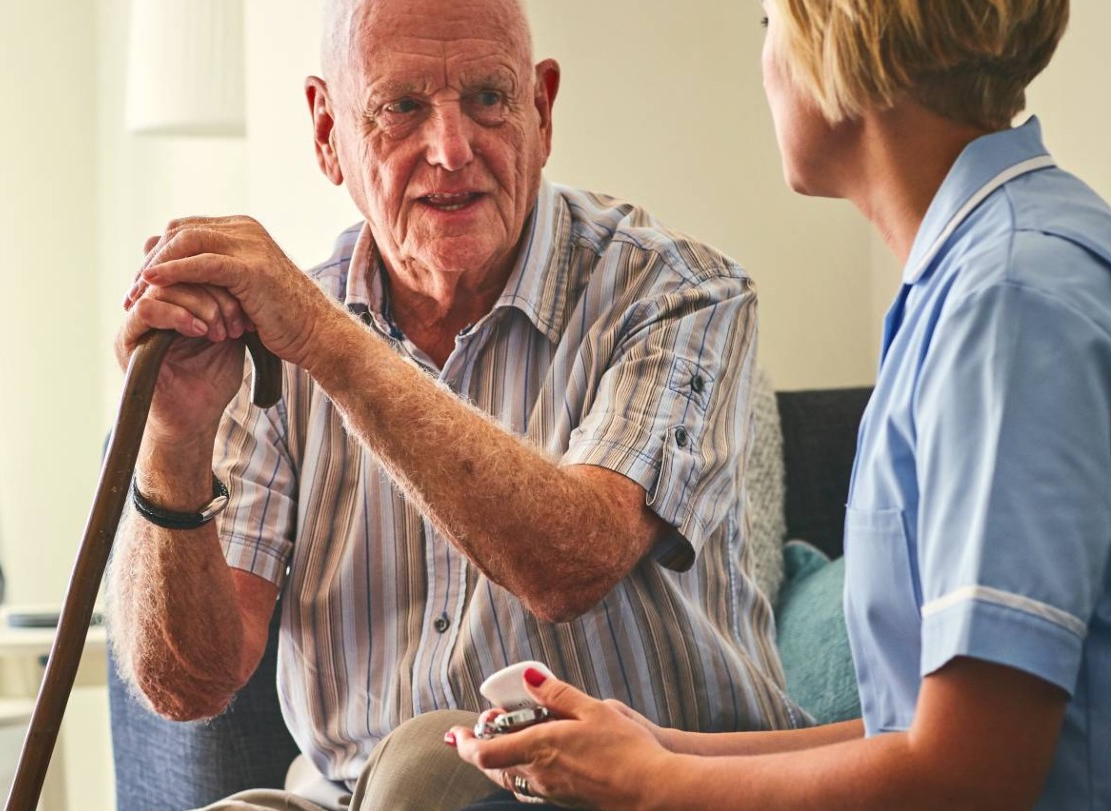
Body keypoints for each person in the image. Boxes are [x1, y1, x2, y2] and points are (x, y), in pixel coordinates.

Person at [447, 1, 1111, 809]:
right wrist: (656, 747)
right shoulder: (997, 268)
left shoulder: (1011, 305)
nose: (763, 65)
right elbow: (924, 733)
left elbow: (967, 778)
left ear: (837, 45)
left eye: (767, 24)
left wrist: (654, 785)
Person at [109, 0, 804, 808]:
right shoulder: (275, 337)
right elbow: (189, 685)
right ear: (328, 132)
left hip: (632, 794)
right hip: (348, 795)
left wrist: (324, 339)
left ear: (541, 111)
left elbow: (570, 563)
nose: (450, 149)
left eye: (487, 98)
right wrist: (174, 439)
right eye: (401, 108)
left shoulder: (681, 296)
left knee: (426, 770)